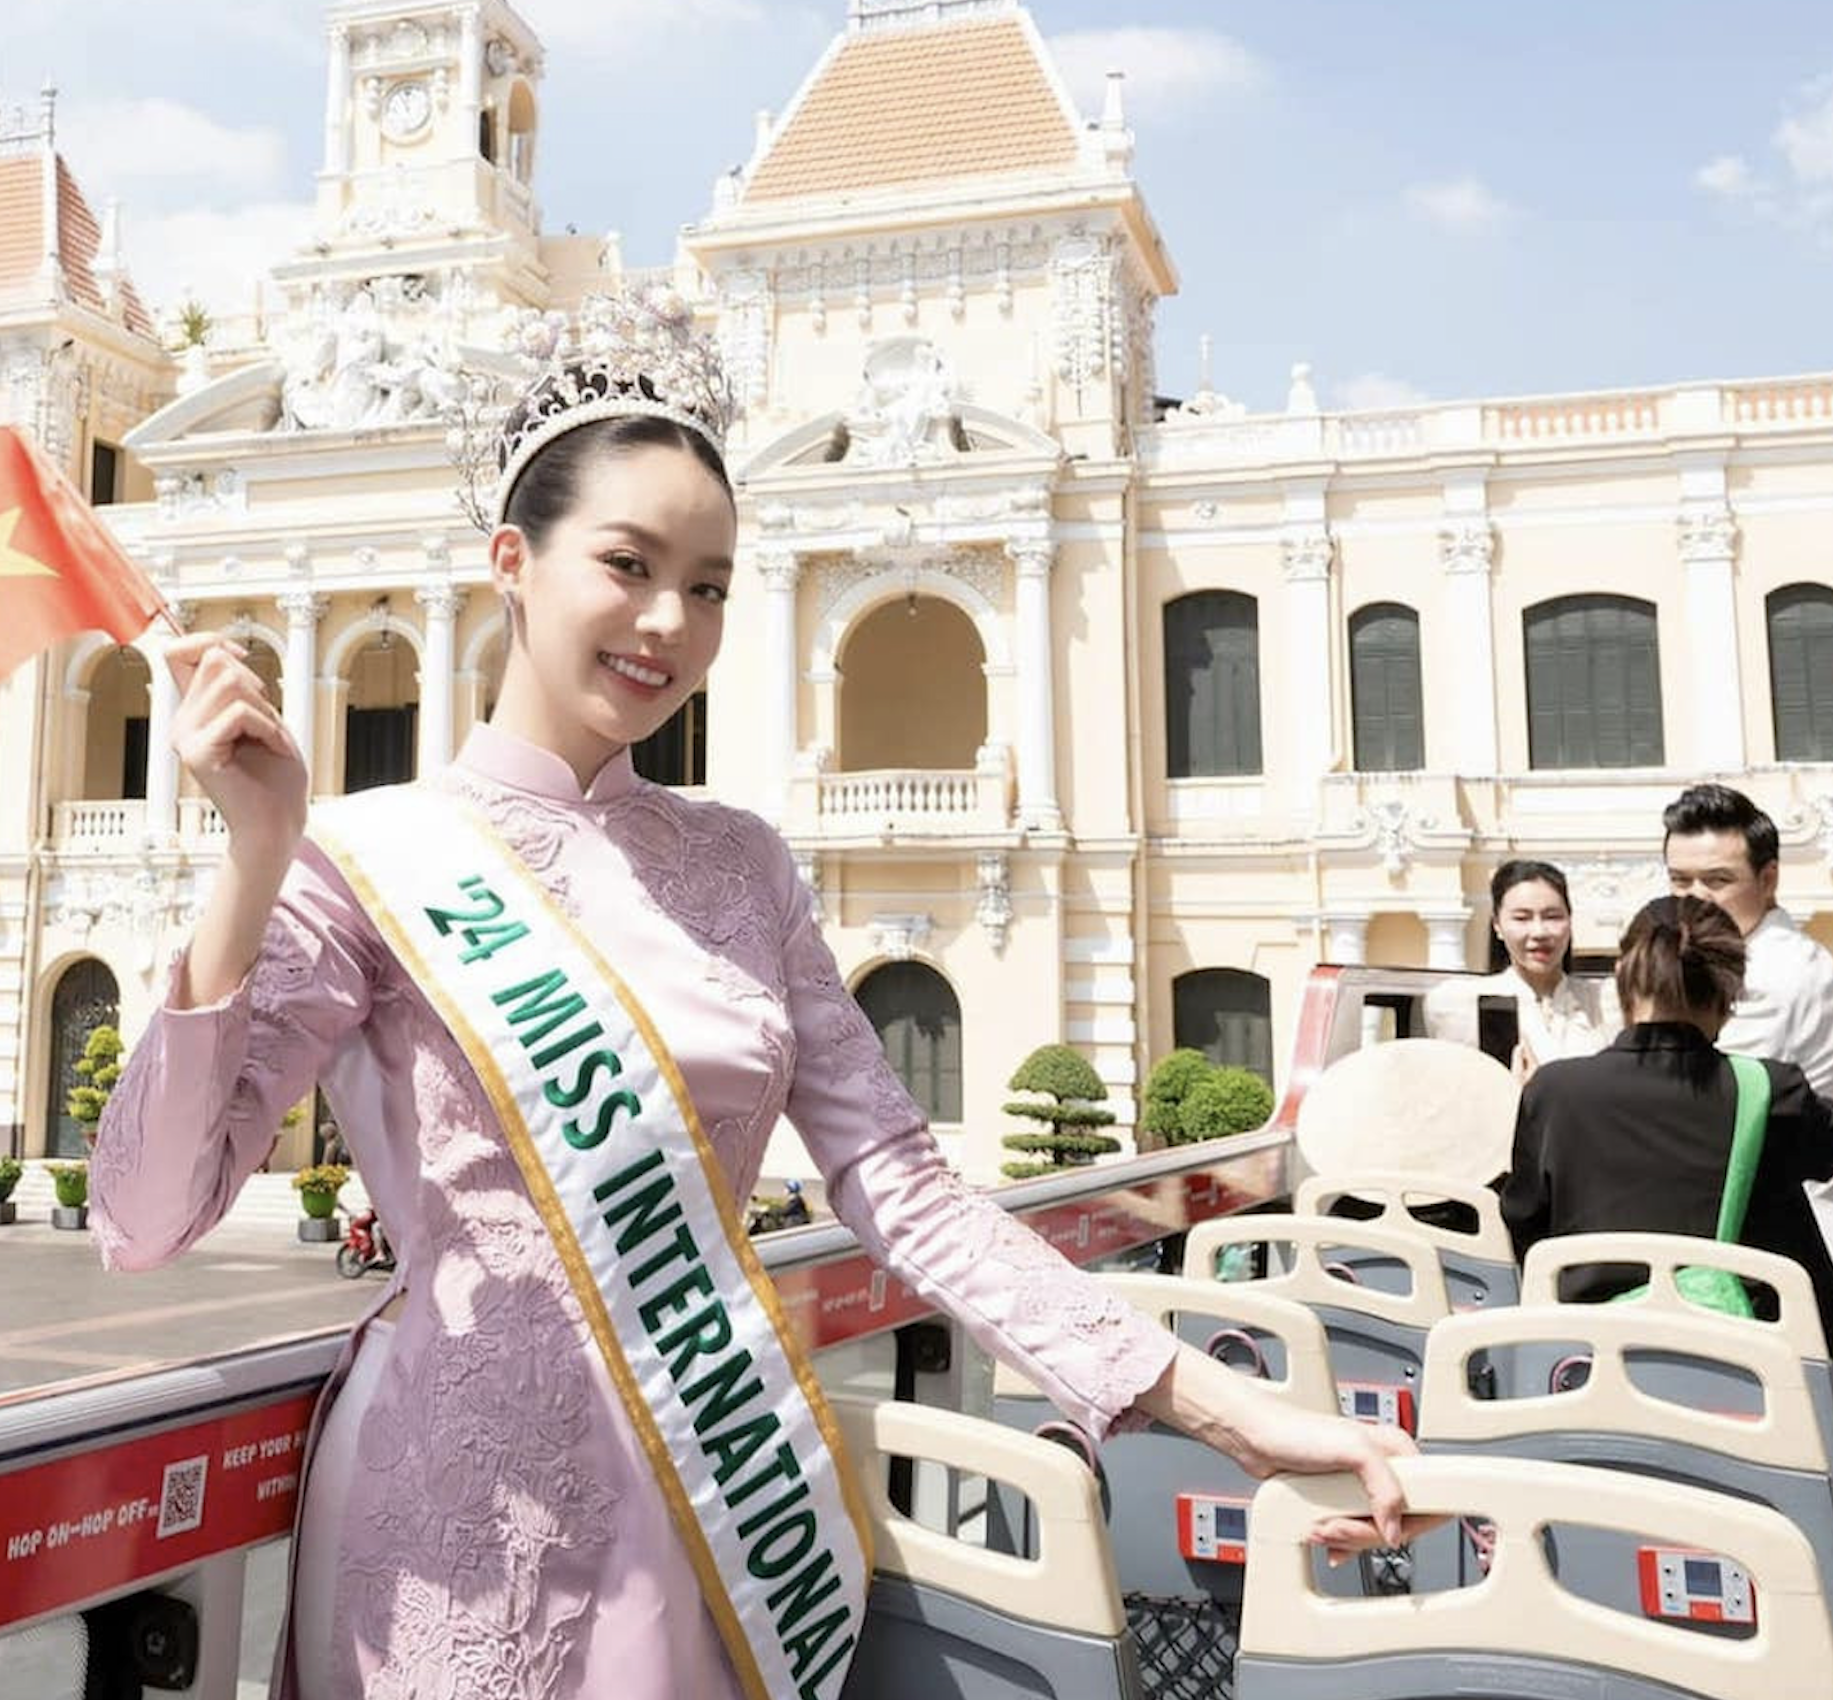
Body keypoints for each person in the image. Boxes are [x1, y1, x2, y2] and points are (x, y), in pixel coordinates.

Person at [91, 290, 1420, 1700]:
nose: (672, 621)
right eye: (629, 563)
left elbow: (905, 1190)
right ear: (512, 563)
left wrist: (1230, 1412)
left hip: (714, 1508)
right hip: (454, 1523)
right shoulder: (367, 862)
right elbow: (145, 1211)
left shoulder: (741, 866)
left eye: (713, 584)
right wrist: (256, 853)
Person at [1499, 895, 1833, 1324]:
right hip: (1746, 1359)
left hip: (1587, 1351)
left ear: (1621, 976)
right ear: (1731, 989)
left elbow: (1523, 1222)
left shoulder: (1554, 1090)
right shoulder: (1771, 1091)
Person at [1663, 783, 1833, 1103]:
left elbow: (1704, 1098)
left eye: (1718, 880)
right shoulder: (1715, 957)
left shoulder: (1775, 971)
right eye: (1680, 880)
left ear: (1768, 880)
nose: (1696, 896)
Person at [1426, 859, 1617, 1075]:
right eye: (1522, 918)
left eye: (1552, 916)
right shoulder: (1463, 1004)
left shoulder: (1605, 1001)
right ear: (1497, 925)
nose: (1539, 932)